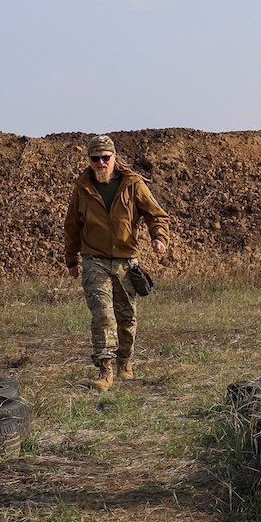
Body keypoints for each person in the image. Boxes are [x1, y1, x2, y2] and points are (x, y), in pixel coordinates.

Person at [64, 134, 171, 390]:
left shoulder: (132, 184)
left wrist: (159, 237)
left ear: (114, 158)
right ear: (89, 160)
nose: (101, 163)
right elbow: (72, 226)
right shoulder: (83, 188)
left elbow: (156, 215)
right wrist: (72, 259)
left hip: (126, 262)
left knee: (126, 317)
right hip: (95, 261)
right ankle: (105, 370)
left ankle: (125, 362)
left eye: (105, 158)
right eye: (95, 159)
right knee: (103, 315)